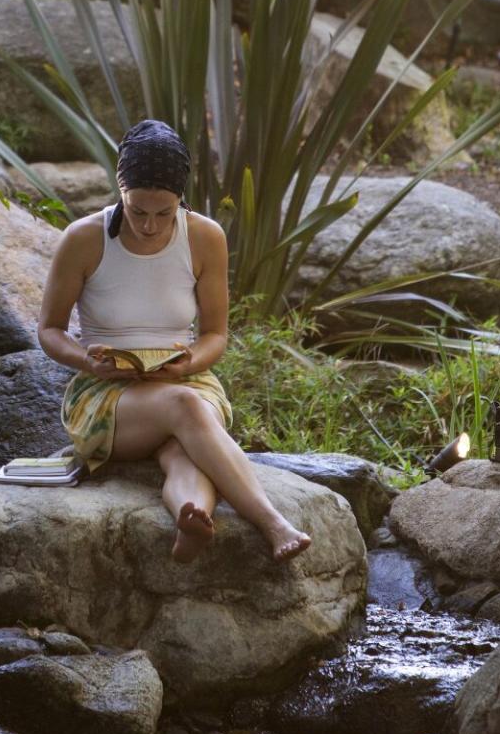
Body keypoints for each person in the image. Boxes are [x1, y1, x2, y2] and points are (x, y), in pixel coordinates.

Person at [37, 118, 312, 564]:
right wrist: (88, 361)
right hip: (106, 395)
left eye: (163, 213)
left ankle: (193, 515)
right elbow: (48, 330)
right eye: (137, 211)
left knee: (184, 445)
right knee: (183, 408)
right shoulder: (83, 239)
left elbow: (215, 335)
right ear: (120, 192)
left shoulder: (205, 238)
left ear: (181, 199)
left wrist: (187, 363)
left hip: (185, 380)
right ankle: (273, 523)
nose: (149, 225)